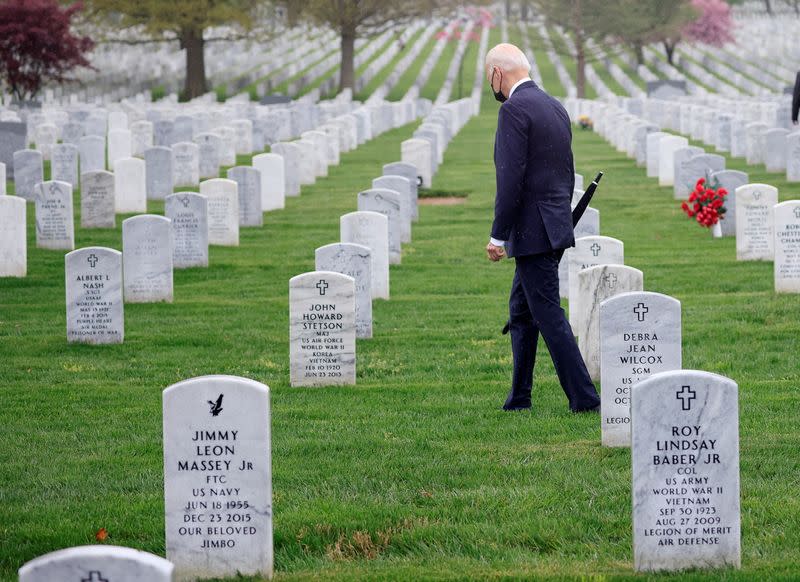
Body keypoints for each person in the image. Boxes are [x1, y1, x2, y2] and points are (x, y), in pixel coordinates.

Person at [484, 43, 600, 413]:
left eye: (490, 79)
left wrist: (497, 234)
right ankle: (519, 396)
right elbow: (565, 173)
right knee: (521, 310)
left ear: (497, 74)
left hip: (532, 233)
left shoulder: (514, 110)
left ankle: (585, 399)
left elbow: (510, 180)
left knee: (548, 313)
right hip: (554, 225)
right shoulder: (555, 106)